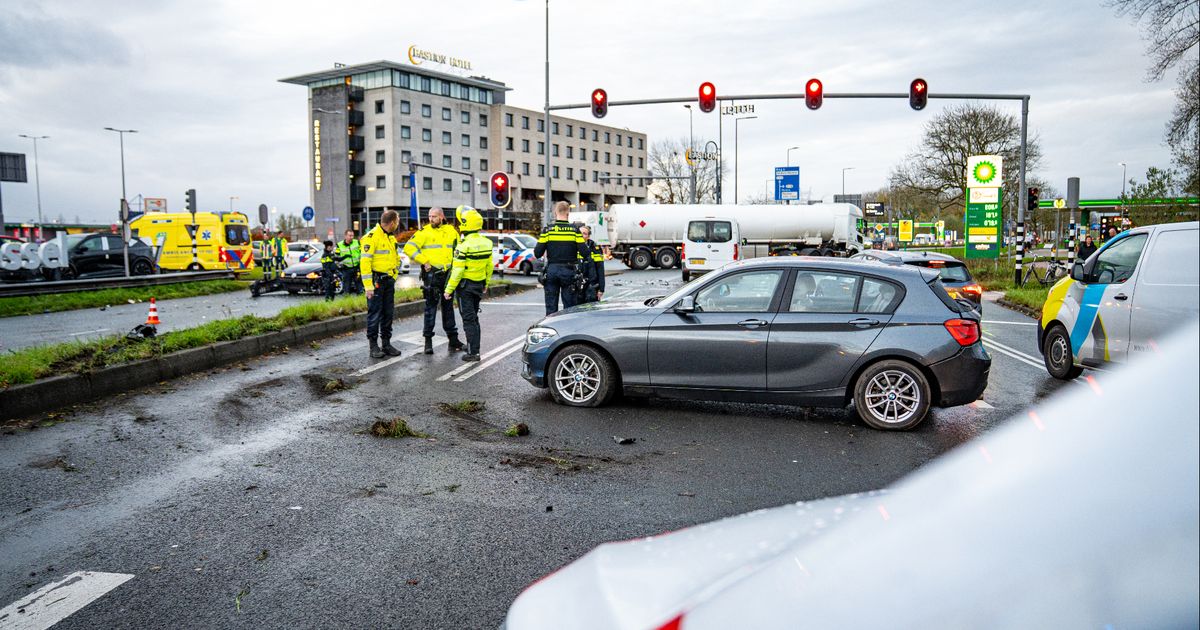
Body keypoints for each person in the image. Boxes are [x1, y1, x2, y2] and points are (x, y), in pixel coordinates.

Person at [403, 207, 465, 355]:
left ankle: (453, 340)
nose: (431, 219)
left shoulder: (452, 231)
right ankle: (428, 342)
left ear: (442, 217)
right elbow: (408, 247)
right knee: (430, 309)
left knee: (448, 308)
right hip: (432, 275)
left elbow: (459, 250)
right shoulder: (424, 232)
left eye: (434, 216)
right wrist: (424, 261)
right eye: (430, 216)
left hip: (448, 275)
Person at [443, 206, 493, 362]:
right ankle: (475, 349)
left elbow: (457, 272)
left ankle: (473, 353)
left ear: (465, 225)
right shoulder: (487, 243)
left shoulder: (463, 246)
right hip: (478, 285)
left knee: (468, 320)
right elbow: (489, 266)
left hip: (465, 288)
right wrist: (486, 283)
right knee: (474, 318)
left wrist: (448, 290)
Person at [360, 210, 403, 359]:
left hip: (388, 281)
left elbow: (397, 259)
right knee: (374, 315)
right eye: (397, 222)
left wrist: (393, 276)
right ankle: (373, 346)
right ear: (392, 222)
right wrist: (368, 286)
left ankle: (386, 344)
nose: (397, 225)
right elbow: (365, 262)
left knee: (388, 314)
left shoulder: (391, 238)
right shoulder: (371, 237)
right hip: (376, 282)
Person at [535, 201, 590, 315]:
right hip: (569, 271)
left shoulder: (548, 230)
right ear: (568, 213)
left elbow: (537, 253)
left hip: (552, 271)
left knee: (551, 308)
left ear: (555, 213)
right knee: (569, 308)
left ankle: (551, 328)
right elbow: (585, 253)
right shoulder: (574, 230)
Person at [578, 225, 605, 303]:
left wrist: (601, 289)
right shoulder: (572, 247)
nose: (581, 235)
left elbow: (600, 269)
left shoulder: (595, 248)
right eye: (580, 233)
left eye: (584, 233)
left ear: (588, 236)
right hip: (576, 287)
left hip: (591, 286)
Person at [335, 229, 362, 295]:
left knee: (359, 286)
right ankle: (347, 300)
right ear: (345, 236)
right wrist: (340, 266)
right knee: (346, 287)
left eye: (352, 235)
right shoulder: (339, 245)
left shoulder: (357, 242)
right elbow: (336, 257)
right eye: (350, 235)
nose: (351, 237)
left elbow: (362, 253)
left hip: (357, 267)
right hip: (346, 269)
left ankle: (360, 300)